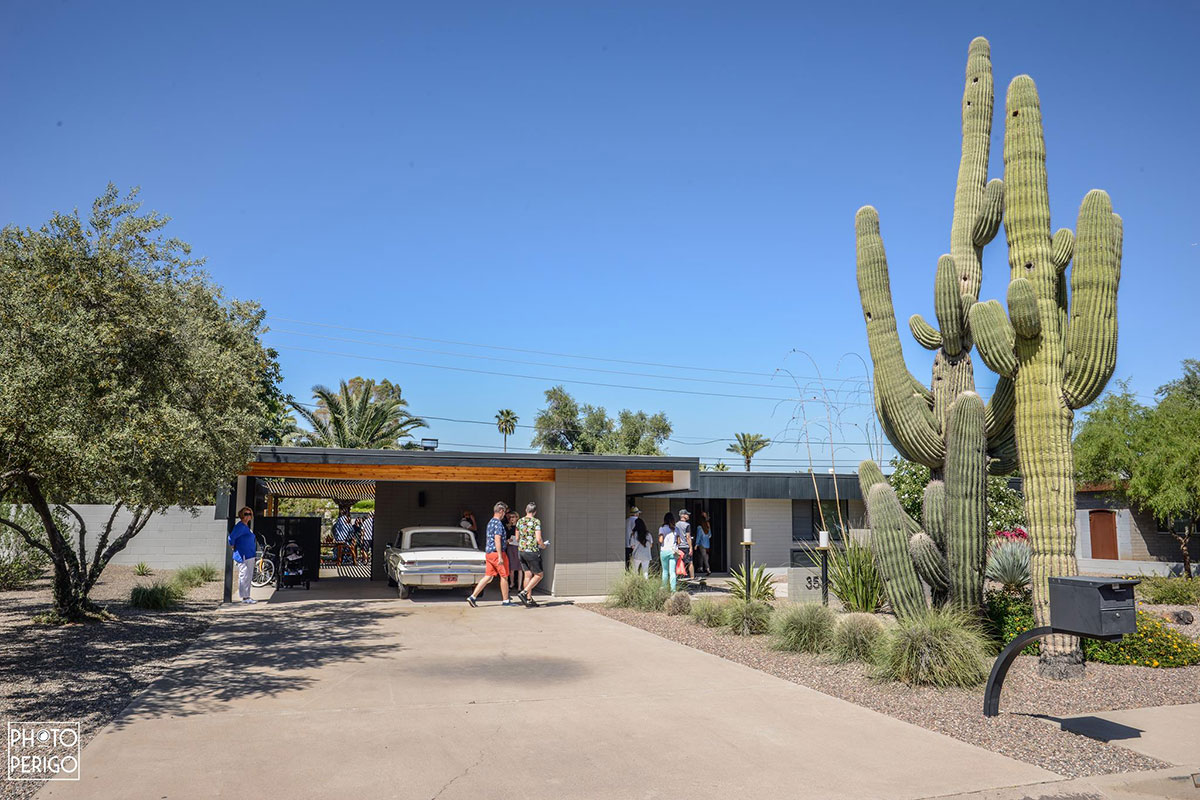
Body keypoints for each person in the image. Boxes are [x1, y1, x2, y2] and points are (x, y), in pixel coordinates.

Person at [467, 502, 515, 607]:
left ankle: (473, 597)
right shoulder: (498, 523)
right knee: (504, 576)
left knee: (488, 576)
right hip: (497, 553)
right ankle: (506, 600)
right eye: (504, 512)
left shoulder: (490, 522)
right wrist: (500, 556)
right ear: (501, 511)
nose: (505, 515)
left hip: (489, 553)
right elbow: (497, 539)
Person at [516, 502, 548, 606]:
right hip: (532, 551)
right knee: (539, 575)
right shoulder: (536, 522)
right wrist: (543, 545)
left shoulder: (520, 521)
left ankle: (528, 599)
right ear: (535, 512)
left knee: (527, 575)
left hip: (521, 551)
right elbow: (538, 538)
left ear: (526, 510)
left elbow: (517, 538)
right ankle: (524, 593)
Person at [228, 507, 257, 604]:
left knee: (248, 576)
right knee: (244, 575)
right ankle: (244, 597)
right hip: (243, 555)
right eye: (246, 514)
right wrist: (232, 546)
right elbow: (231, 538)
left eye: (249, 514)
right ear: (241, 515)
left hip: (250, 555)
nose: (248, 516)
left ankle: (247, 596)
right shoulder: (240, 526)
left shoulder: (246, 527)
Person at [658, 512, 679, 591]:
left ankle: (664, 587)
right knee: (672, 572)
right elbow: (679, 541)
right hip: (673, 551)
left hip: (664, 551)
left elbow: (660, 540)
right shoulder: (676, 529)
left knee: (665, 571)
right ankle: (673, 589)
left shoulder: (662, 528)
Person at [505, 509, 522, 592]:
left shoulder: (520, 527)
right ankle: (511, 583)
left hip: (518, 547)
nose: (512, 519)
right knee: (511, 567)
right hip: (511, 547)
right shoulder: (508, 527)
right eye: (510, 517)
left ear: (517, 518)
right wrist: (507, 541)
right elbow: (505, 538)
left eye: (513, 517)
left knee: (520, 568)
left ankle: (519, 586)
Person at [675, 508, 694, 581]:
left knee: (679, 561)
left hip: (678, 546)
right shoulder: (687, 525)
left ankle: (678, 577)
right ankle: (692, 577)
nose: (688, 516)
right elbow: (688, 537)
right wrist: (691, 547)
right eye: (687, 514)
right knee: (690, 562)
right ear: (683, 515)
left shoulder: (676, 524)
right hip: (685, 546)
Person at [694, 511, 712, 577]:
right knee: (703, 555)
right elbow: (710, 535)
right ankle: (700, 567)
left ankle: (708, 569)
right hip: (707, 544)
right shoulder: (707, 527)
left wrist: (696, 544)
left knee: (704, 556)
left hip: (702, 544)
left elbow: (698, 536)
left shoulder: (699, 527)